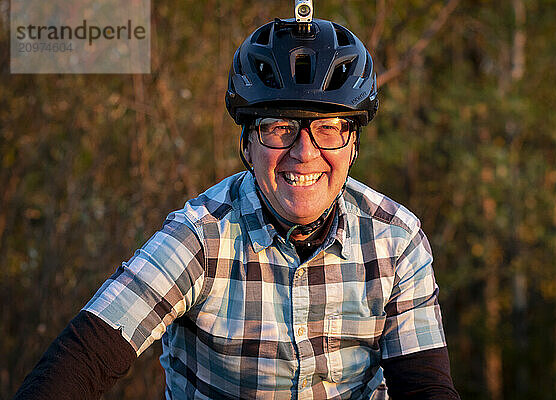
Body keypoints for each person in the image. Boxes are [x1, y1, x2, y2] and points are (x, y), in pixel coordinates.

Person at [14, 14, 460, 400]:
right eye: (279, 127)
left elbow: (424, 389)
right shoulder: (200, 235)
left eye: (327, 128)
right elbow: (85, 359)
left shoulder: (395, 237)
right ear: (246, 143)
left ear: (353, 144)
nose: (304, 153)